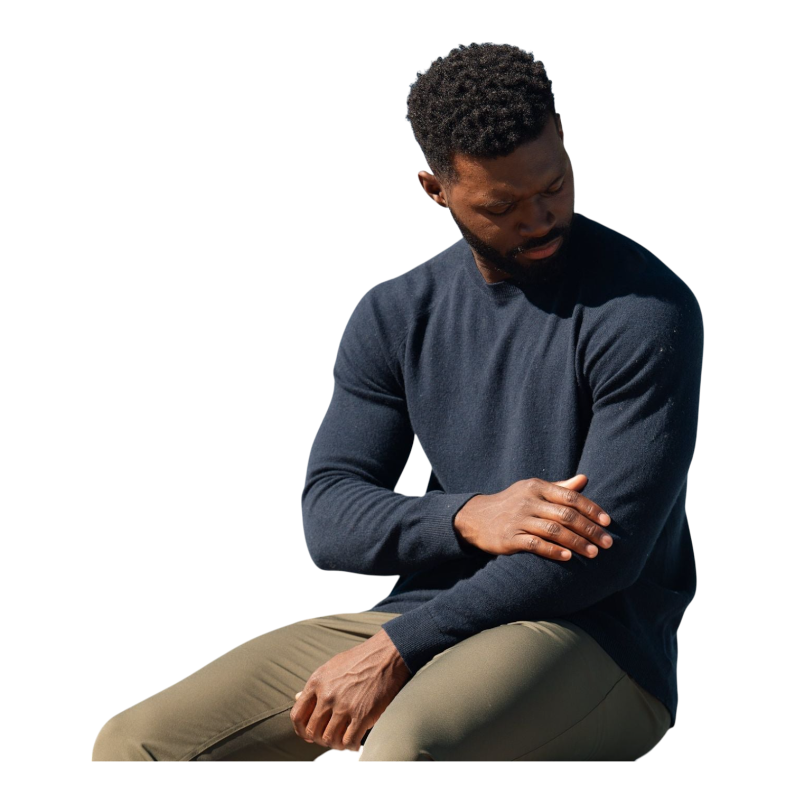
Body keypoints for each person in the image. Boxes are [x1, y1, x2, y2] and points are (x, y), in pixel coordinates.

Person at [91, 42, 703, 762]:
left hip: (597, 637)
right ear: (434, 190)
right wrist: (467, 516)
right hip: (423, 616)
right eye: (501, 206)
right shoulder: (394, 314)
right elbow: (328, 516)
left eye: (554, 185)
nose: (540, 219)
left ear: (563, 136)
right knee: (133, 744)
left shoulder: (646, 310)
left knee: (403, 747)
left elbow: (603, 557)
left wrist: (400, 648)